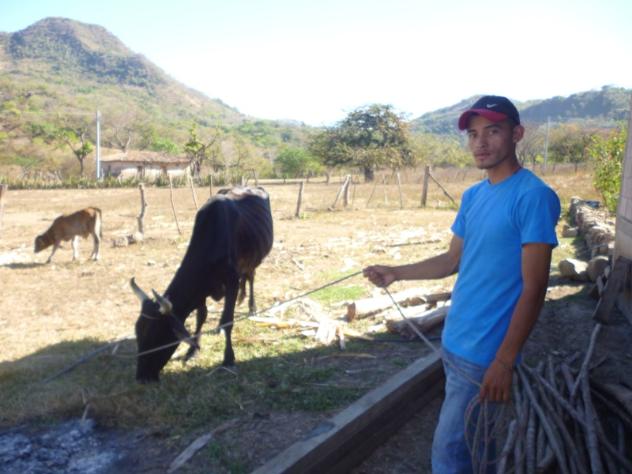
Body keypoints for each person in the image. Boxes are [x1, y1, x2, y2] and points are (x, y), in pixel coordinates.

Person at [363, 95, 561, 473]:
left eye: (492, 131)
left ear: (517, 134)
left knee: (450, 454)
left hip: (486, 352)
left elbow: (535, 288)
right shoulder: (473, 196)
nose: (480, 143)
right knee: (475, 442)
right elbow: (452, 261)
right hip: (455, 339)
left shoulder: (533, 197)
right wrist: (396, 272)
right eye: (473, 134)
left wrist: (504, 360)